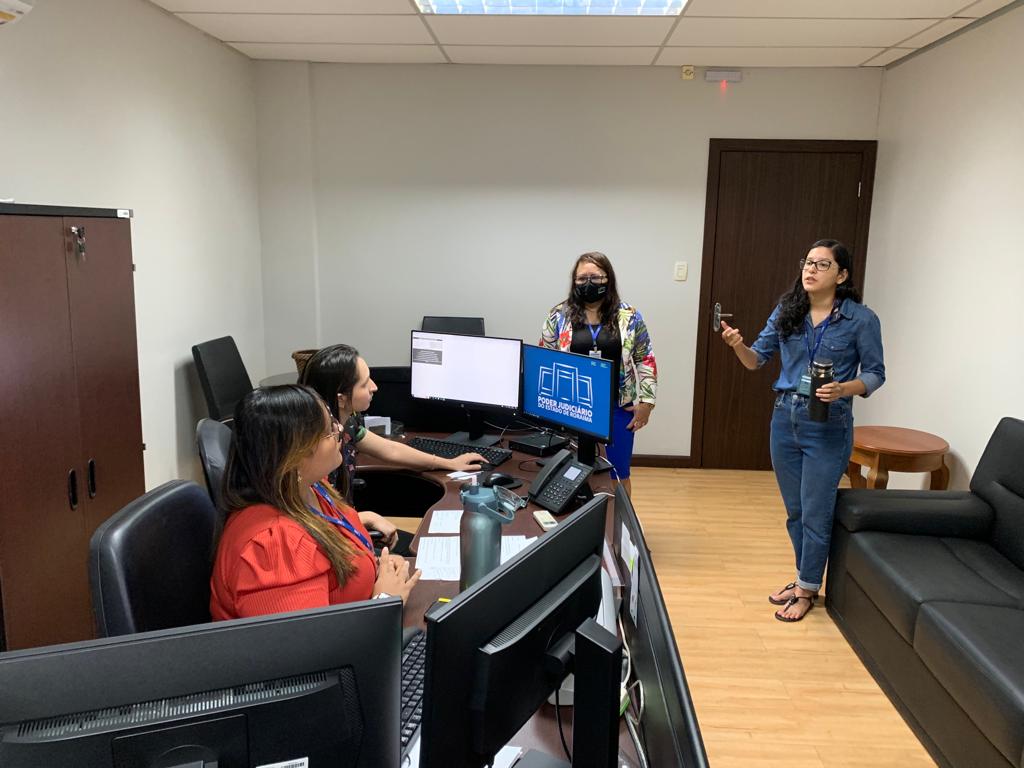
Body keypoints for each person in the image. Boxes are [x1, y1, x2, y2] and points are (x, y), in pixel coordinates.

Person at [720, 239, 884, 622]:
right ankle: (803, 578)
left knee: (815, 510)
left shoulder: (861, 319)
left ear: (841, 275)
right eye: (807, 263)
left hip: (828, 423)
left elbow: (876, 374)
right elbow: (755, 361)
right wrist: (737, 345)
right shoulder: (787, 311)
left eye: (822, 265)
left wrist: (845, 388)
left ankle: (808, 588)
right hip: (785, 417)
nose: (810, 270)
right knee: (795, 512)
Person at [210, 385, 420, 620]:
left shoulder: (308, 487)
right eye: (329, 430)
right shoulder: (274, 548)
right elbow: (309, 652)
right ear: (296, 454)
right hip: (351, 648)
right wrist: (385, 601)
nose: (340, 429)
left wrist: (375, 569)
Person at [299, 343, 487, 502]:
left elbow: (390, 450)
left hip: (344, 523)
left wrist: (448, 463)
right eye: (365, 384)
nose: (375, 387)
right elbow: (312, 516)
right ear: (340, 399)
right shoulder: (316, 450)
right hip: (332, 533)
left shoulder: (348, 425)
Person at [540, 251, 657, 495]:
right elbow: (545, 359)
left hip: (616, 410)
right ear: (574, 281)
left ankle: (619, 529)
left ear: (609, 279)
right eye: (582, 278)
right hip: (571, 410)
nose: (588, 283)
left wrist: (647, 402)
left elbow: (645, 358)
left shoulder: (630, 316)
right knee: (571, 473)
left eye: (596, 277)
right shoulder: (558, 315)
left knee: (618, 475)